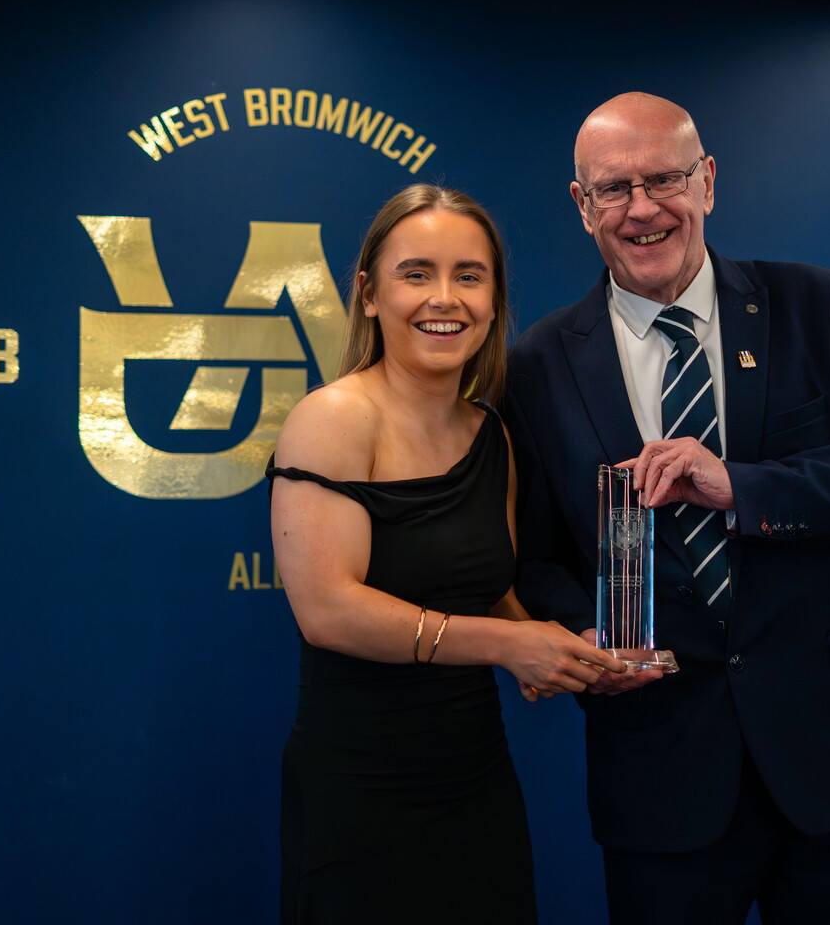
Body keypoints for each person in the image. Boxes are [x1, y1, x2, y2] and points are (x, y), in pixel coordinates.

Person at [504, 92, 830, 923]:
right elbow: (534, 558)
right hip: (661, 775)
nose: (643, 209)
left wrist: (742, 487)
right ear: (582, 205)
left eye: (665, 179)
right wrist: (584, 635)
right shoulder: (537, 364)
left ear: (707, 181)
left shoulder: (815, 306)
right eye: (614, 188)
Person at [267, 184, 626, 924]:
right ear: (369, 295)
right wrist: (508, 644)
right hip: (360, 792)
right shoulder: (333, 419)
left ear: (494, 302)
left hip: (477, 781)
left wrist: (569, 649)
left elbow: (486, 588)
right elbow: (328, 611)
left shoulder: (491, 435)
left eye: (469, 275)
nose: (446, 298)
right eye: (416, 273)